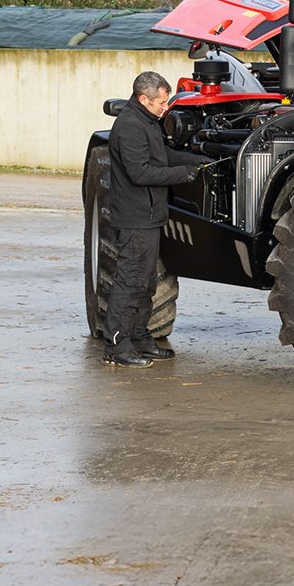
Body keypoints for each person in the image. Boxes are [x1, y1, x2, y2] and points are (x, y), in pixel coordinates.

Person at [101, 71, 210, 367]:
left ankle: (139, 338)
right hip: (135, 217)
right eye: (161, 102)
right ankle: (116, 345)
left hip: (149, 217)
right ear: (143, 98)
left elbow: (164, 156)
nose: (166, 107)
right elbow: (141, 173)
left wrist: (198, 162)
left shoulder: (148, 122)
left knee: (146, 283)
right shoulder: (129, 127)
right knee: (130, 282)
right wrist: (183, 176)